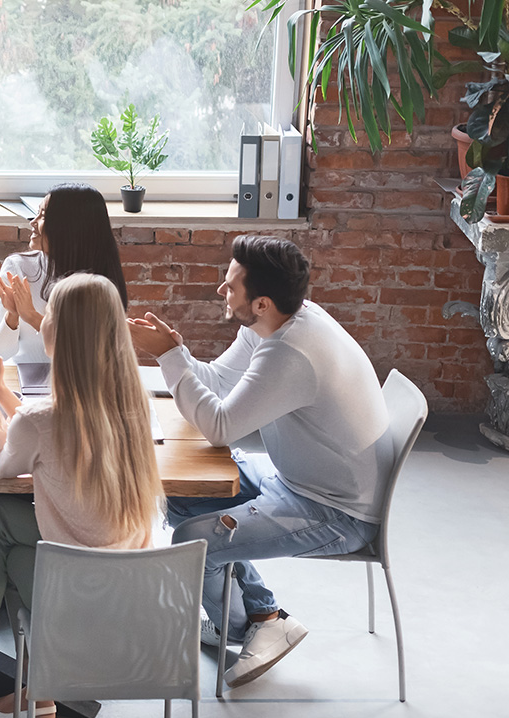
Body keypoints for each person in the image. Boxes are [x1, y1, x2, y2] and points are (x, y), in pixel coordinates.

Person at [127, 235, 390, 689]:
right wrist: (177, 351)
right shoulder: (277, 323)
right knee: (183, 495)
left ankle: (238, 627)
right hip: (297, 480)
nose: (219, 291)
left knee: (193, 542)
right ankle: (265, 615)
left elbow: (220, 426)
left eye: (230, 287)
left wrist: (167, 357)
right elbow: (219, 381)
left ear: (262, 302)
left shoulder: (291, 354)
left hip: (336, 510)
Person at [0, 273, 162, 718]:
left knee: (3, 524)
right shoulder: (133, 403)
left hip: (75, 581)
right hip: (133, 583)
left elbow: (1, 465)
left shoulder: (45, 418)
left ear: (57, 331)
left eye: (49, 313)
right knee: (6, 519)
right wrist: (2, 388)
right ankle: (30, 694)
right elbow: (53, 431)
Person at [0, 184, 128, 365]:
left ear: (71, 226)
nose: (33, 222)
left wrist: (32, 316)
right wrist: (12, 316)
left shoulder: (98, 284)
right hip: (26, 386)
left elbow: (89, 356)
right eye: (37, 212)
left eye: (43, 215)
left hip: (82, 385)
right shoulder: (18, 268)